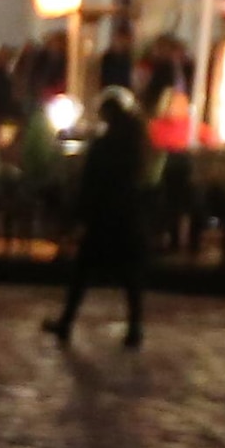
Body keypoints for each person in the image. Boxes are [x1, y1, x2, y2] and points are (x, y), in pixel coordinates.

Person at [50, 85, 158, 350]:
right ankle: (134, 326)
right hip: (128, 214)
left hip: (104, 215)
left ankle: (66, 321)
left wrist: (78, 215)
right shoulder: (136, 144)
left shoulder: (105, 145)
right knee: (130, 275)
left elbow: (90, 182)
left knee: (83, 271)